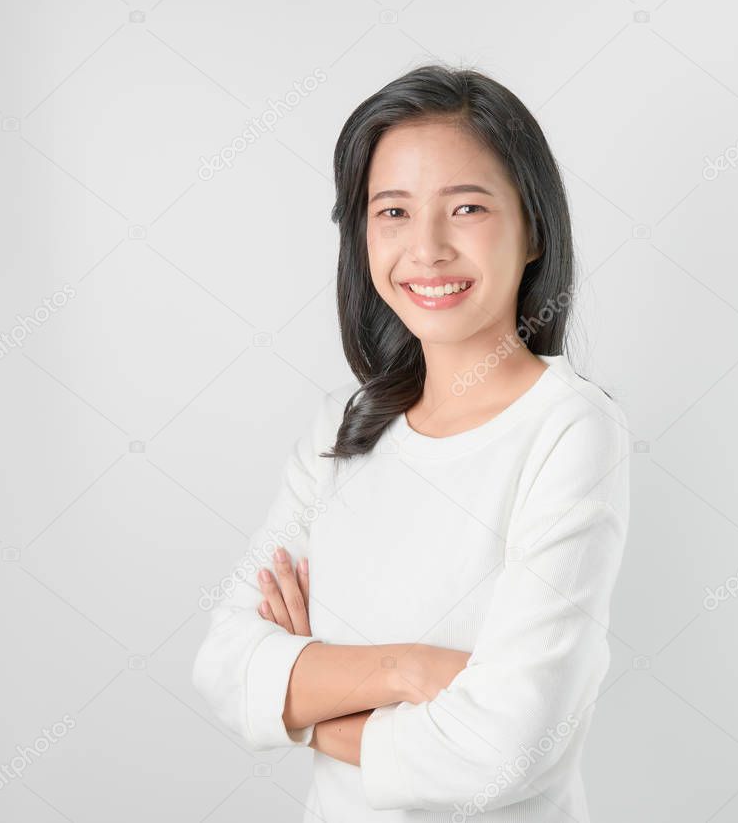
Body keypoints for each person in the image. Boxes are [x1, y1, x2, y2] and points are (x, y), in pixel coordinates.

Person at [192, 63, 631, 821]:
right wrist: (409, 670)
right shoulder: (343, 429)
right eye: (391, 211)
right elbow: (225, 668)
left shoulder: (569, 431)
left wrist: (306, 695)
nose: (425, 248)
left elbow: (505, 752)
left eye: (465, 207)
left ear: (531, 230)